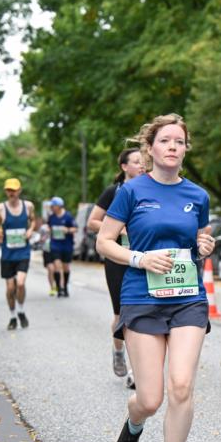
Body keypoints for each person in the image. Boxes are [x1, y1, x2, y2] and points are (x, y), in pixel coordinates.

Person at [96, 114, 215, 442]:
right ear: (150, 148)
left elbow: (201, 237)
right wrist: (140, 259)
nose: (172, 147)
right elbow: (105, 241)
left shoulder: (197, 196)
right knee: (150, 398)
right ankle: (133, 426)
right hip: (142, 298)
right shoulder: (131, 192)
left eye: (179, 142)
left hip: (187, 300)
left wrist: (205, 246)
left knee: (181, 385)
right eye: (165, 141)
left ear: (185, 149)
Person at [88, 148, 144, 385]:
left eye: (144, 161)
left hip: (142, 258)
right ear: (124, 167)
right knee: (121, 314)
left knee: (140, 314)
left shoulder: (149, 190)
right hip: (116, 259)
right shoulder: (113, 192)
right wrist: (118, 229)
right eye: (136, 161)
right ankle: (118, 351)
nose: (142, 165)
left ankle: (135, 370)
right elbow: (92, 222)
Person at [0, 178, 36, 330]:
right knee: (10, 288)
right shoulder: (0, 208)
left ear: (19, 190)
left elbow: (33, 221)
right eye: (8, 190)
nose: (11, 193)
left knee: (21, 283)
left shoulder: (28, 205)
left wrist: (30, 230)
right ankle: (12, 316)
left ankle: (21, 310)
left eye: (14, 190)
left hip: (23, 251)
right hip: (7, 253)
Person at [47, 196, 78, 298]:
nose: (52, 207)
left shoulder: (68, 216)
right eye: (51, 206)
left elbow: (75, 228)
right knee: (57, 265)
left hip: (67, 245)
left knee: (65, 267)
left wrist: (68, 230)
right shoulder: (51, 217)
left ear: (59, 206)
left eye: (53, 205)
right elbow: (49, 227)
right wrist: (48, 230)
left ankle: (65, 287)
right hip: (55, 245)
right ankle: (59, 288)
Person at [38, 222, 57, 296]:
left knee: (56, 269)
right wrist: (43, 238)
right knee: (51, 269)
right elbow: (40, 239)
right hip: (47, 250)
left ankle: (58, 284)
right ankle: (52, 287)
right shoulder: (43, 227)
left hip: (57, 250)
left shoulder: (58, 225)